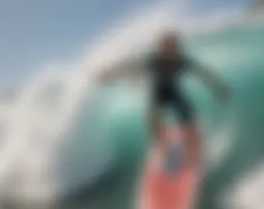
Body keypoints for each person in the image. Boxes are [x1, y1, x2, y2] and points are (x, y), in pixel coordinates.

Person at [98, 30, 231, 165]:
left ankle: (191, 145)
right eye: (165, 47)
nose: (168, 51)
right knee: (153, 118)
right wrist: (109, 74)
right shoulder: (152, 60)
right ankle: (162, 148)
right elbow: (128, 66)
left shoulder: (182, 61)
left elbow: (203, 73)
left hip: (172, 91)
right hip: (157, 92)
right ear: (160, 48)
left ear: (176, 48)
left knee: (187, 114)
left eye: (172, 47)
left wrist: (218, 87)